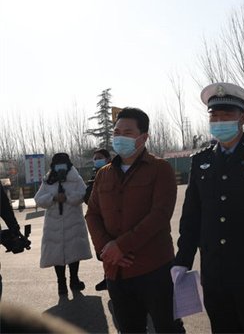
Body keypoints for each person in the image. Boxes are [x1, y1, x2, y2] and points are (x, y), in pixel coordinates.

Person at [172, 82, 244, 333]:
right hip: (215, 271)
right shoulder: (201, 160)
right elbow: (192, 215)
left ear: (243, 117)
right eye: (214, 116)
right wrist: (183, 259)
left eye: (226, 115)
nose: (219, 121)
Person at [85, 107, 184, 333]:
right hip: (116, 273)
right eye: (117, 132)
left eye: (128, 132)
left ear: (144, 137)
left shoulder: (160, 169)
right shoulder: (104, 174)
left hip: (155, 269)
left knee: (168, 328)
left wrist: (121, 246)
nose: (120, 137)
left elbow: (160, 215)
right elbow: (92, 214)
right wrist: (106, 248)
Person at [34, 153, 92, 296]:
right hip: (54, 224)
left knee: (74, 251)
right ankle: (61, 283)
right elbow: (38, 199)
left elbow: (83, 195)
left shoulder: (75, 178)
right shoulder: (48, 179)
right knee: (56, 254)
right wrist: (53, 197)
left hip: (73, 221)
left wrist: (67, 197)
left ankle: (74, 279)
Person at [83, 148, 112, 292]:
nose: (96, 160)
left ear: (108, 159)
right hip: (98, 218)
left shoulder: (112, 173)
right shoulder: (95, 175)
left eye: (99, 158)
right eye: (95, 158)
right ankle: (108, 277)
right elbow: (88, 197)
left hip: (111, 218)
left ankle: (111, 279)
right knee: (103, 251)